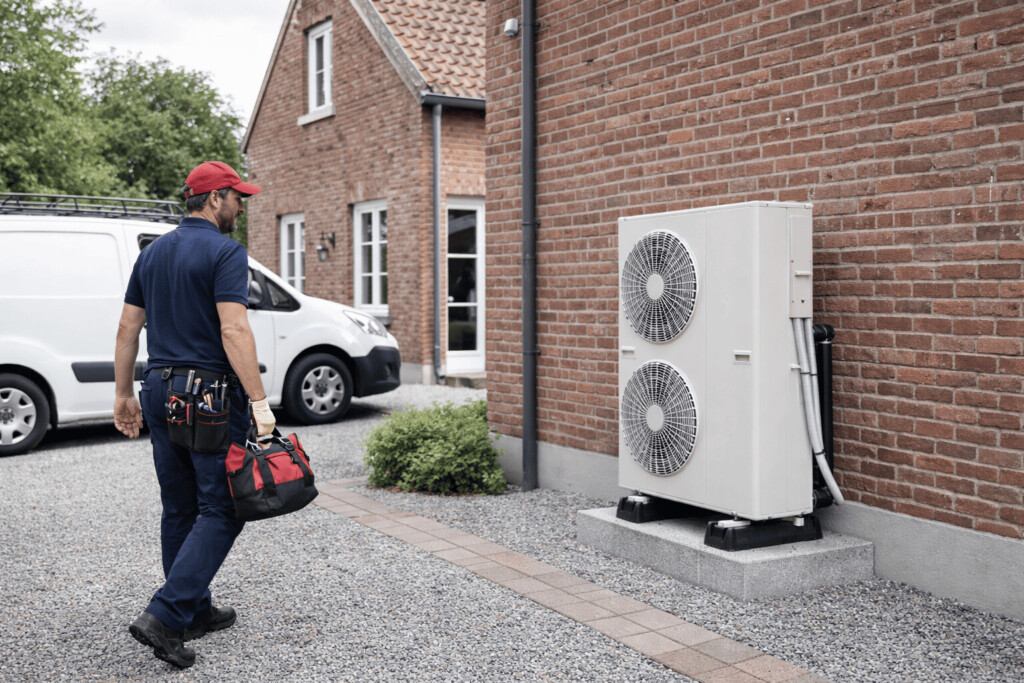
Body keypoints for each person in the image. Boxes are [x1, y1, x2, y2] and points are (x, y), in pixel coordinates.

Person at [113, 160, 277, 668]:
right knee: (224, 508)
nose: (240, 207)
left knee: (180, 506)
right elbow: (234, 331)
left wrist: (124, 394)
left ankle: (195, 610)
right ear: (213, 199)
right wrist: (259, 401)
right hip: (207, 397)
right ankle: (165, 617)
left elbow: (126, 330)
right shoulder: (226, 252)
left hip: (160, 390)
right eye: (236, 197)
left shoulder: (152, 253)